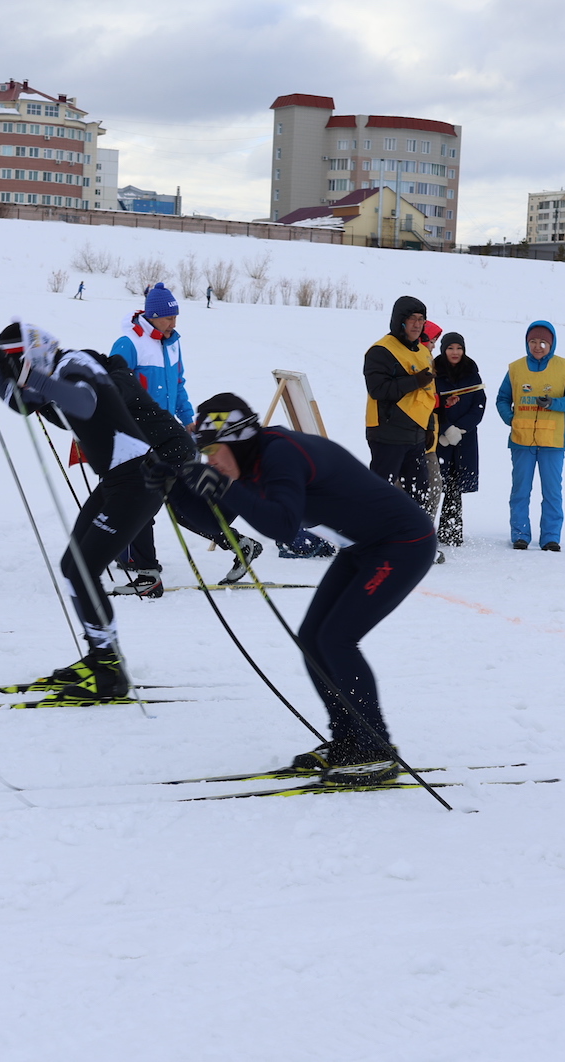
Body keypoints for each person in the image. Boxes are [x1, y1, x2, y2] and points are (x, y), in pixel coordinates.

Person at [168, 393, 436, 784]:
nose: (209, 458)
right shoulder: (248, 463)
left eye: (212, 449)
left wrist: (218, 483)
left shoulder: (280, 455)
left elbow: (281, 525)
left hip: (403, 543)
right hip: (363, 546)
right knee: (313, 638)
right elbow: (218, 513)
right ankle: (348, 740)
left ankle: (375, 748)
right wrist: (174, 486)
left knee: (337, 639)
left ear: (237, 438)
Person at [0, 321, 195, 699]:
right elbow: (23, 404)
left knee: (82, 570)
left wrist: (28, 375)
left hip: (137, 482)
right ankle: (100, 657)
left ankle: (109, 672)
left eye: (14, 365)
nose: (16, 376)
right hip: (119, 481)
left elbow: (85, 402)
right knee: (73, 568)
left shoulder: (75, 363)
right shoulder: (54, 374)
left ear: (31, 356)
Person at [104, 282, 257, 595]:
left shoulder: (172, 342)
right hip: (137, 436)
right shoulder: (129, 343)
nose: (174, 323)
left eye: (176, 317)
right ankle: (136, 560)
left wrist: (187, 419)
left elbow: (179, 383)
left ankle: (145, 568)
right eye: (168, 318)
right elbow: (112, 390)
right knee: (155, 500)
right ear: (152, 315)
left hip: (169, 436)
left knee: (168, 501)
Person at [495, 321, 565, 550]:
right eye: (533, 341)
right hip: (521, 440)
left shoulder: (564, 368)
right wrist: (510, 418)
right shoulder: (515, 368)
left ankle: (551, 538)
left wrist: (555, 403)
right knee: (520, 490)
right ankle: (520, 535)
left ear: (551, 344)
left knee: (552, 492)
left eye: (543, 342)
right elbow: (502, 398)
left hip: (553, 441)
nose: (538, 346)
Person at [364, 295, 436, 506]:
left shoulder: (424, 352)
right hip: (387, 433)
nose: (417, 324)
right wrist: (414, 381)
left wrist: (429, 427)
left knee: (419, 494)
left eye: (421, 319)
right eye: (412, 318)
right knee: (380, 492)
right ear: (399, 320)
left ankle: (409, 537)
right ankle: (370, 535)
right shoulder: (381, 351)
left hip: (416, 435)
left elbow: (428, 393)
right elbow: (378, 390)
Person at [432, 331, 485, 546]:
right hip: (438, 437)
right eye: (451, 348)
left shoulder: (472, 373)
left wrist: (460, 429)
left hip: (464, 438)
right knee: (433, 483)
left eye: (459, 348)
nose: (455, 352)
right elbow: (429, 404)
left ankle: (451, 531)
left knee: (455, 483)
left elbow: (479, 405)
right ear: (443, 349)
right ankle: (423, 530)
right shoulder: (433, 371)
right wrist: (445, 429)